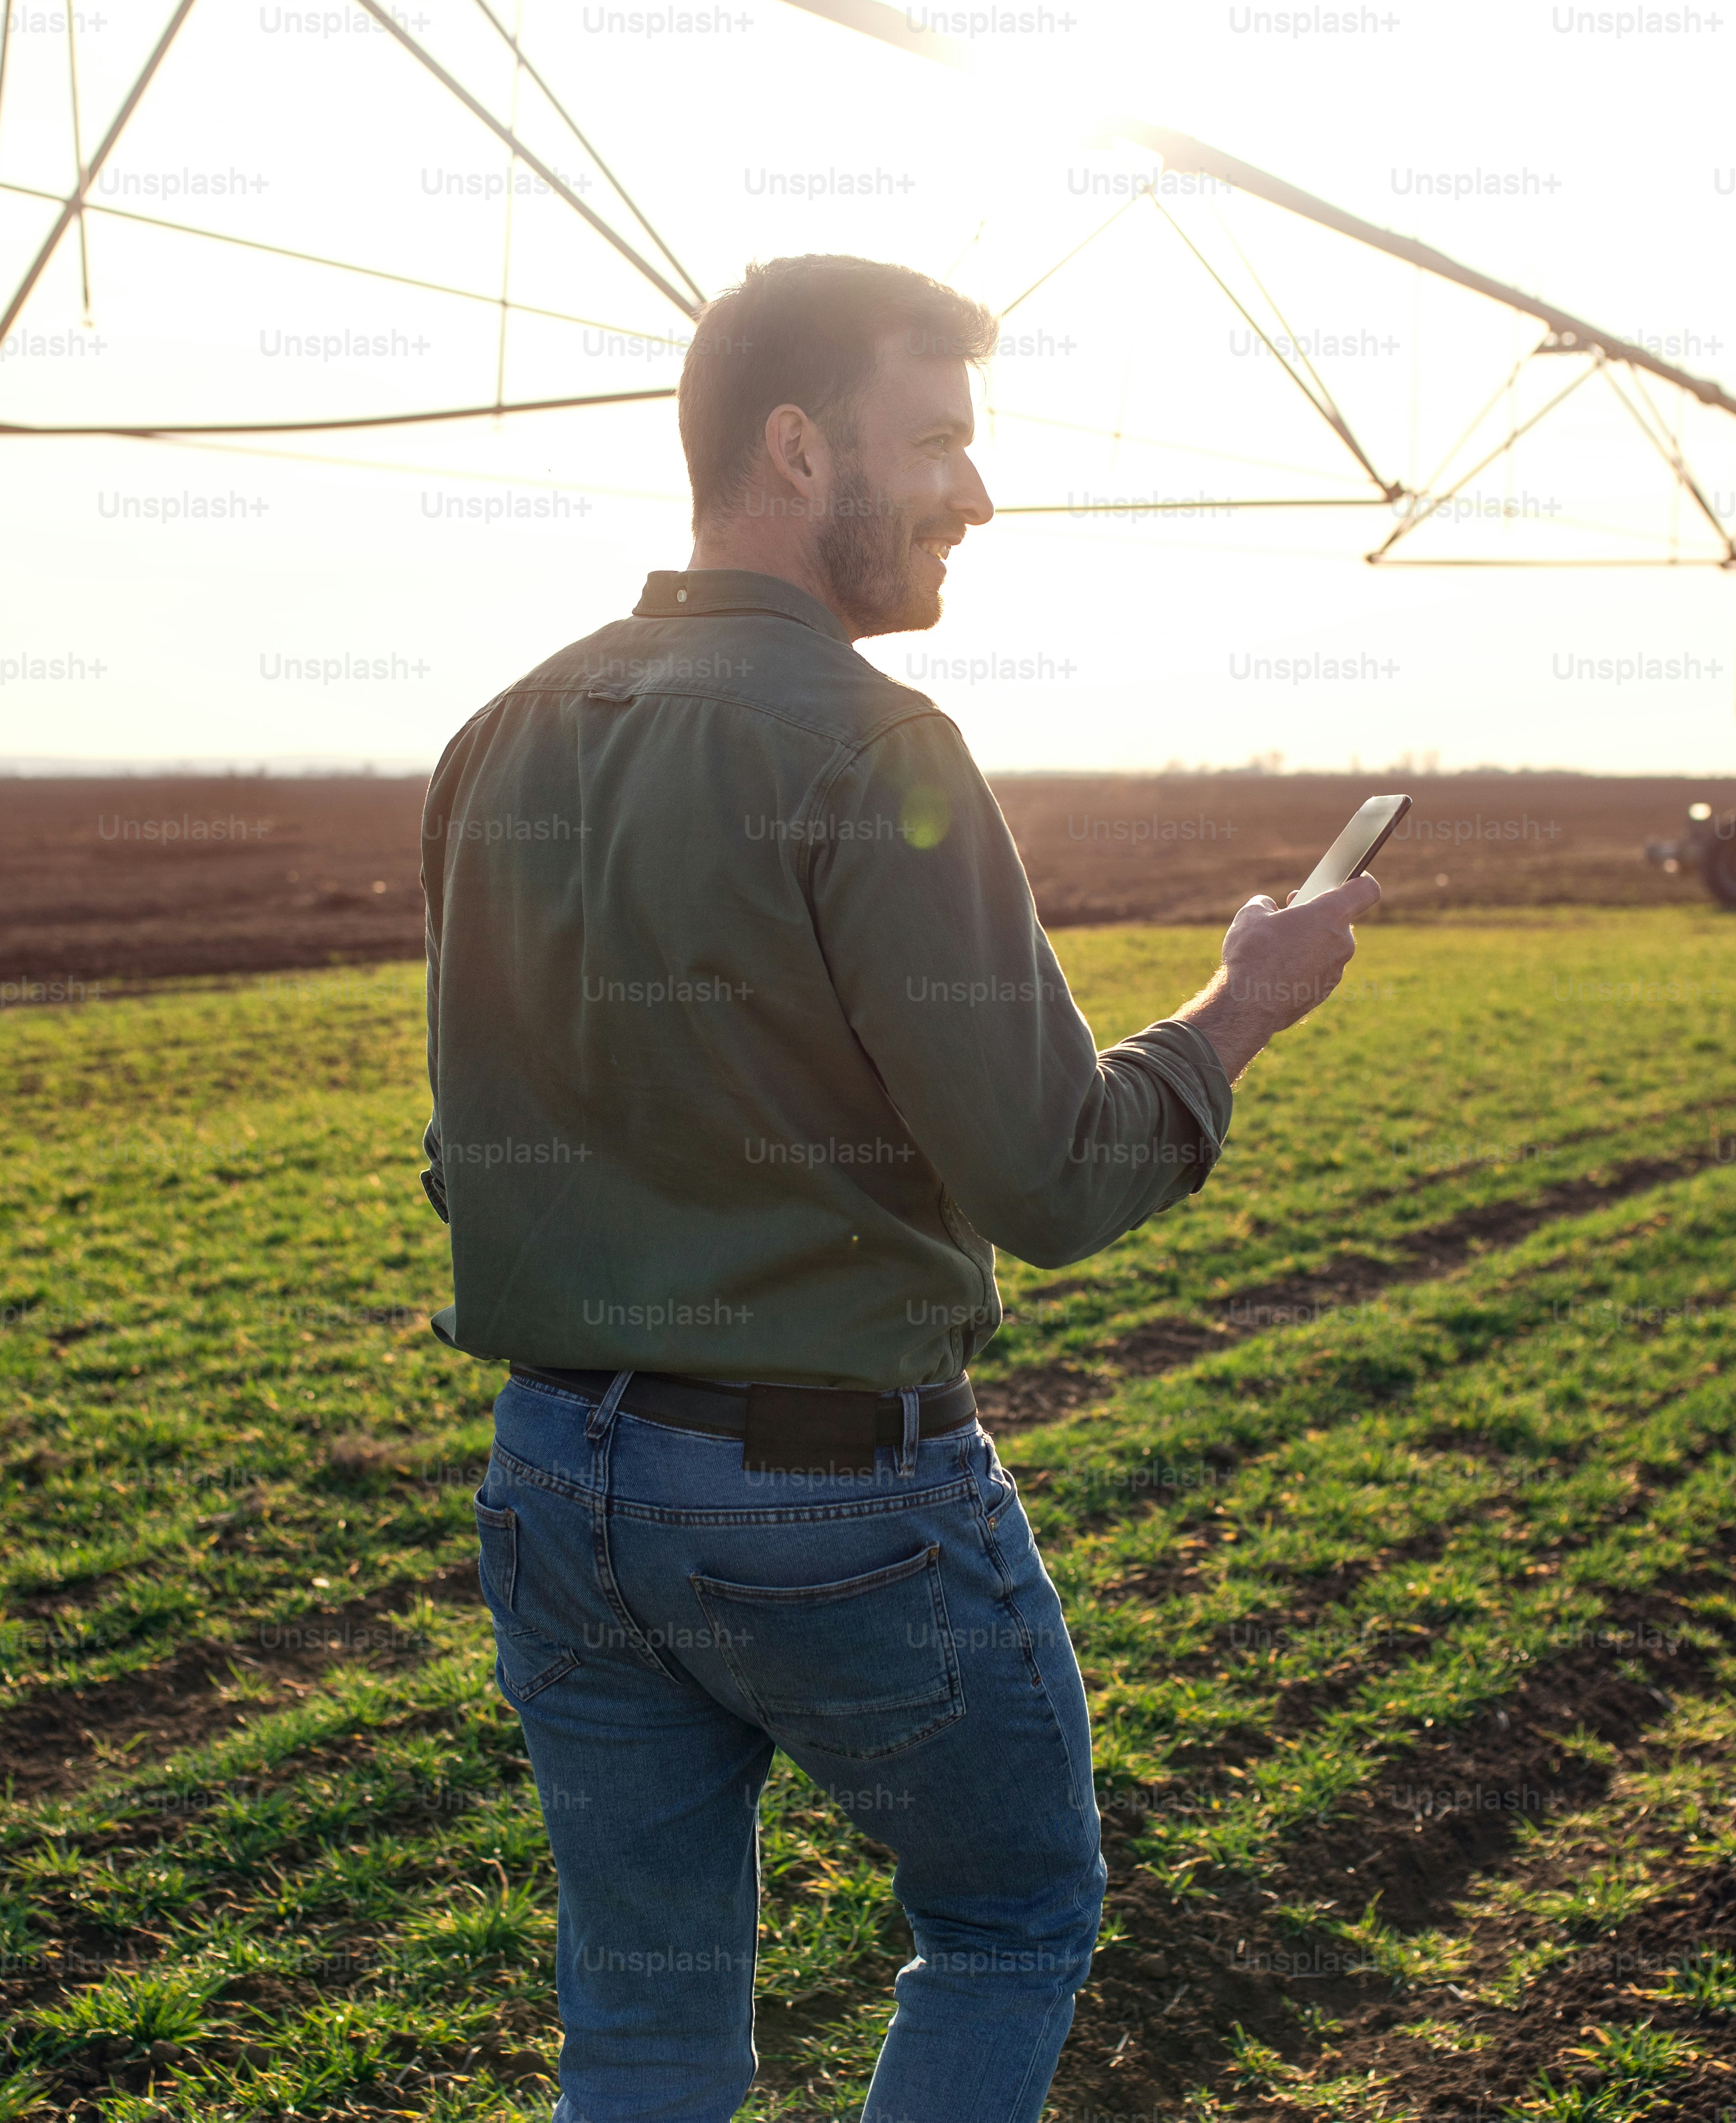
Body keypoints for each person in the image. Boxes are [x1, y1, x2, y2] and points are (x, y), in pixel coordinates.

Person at [416, 253, 1384, 2123]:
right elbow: (1051, 1179)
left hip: (554, 1480)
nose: (976, 492)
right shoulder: (871, 748)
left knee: (637, 2021)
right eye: (936, 438)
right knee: (1012, 1920)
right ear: (795, 447)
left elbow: (472, 1155)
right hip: (824, 1497)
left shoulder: (503, 732)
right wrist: (1237, 1011)